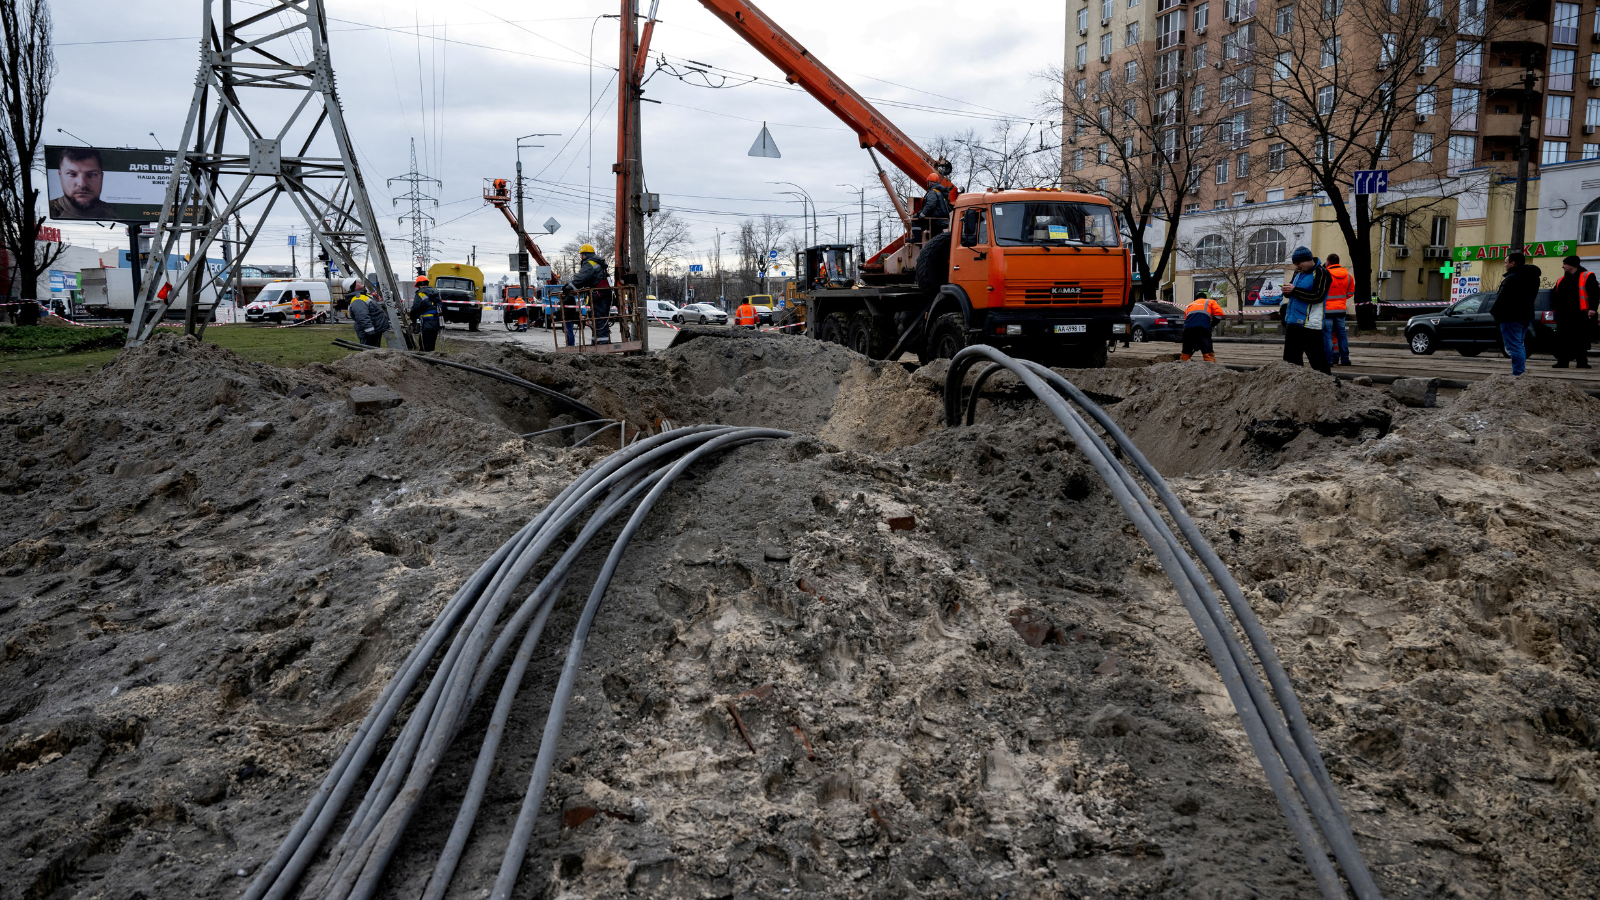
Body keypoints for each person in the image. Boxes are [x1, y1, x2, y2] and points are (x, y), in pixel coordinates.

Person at [1282, 246, 1332, 374]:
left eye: (1298, 264)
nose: (1296, 267)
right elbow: (1294, 293)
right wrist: (1287, 291)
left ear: (1308, 260)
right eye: (1294, 264)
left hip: (1310, 324)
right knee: (1290, 361)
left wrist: (1294, 290)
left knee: (1318, 361)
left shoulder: (1322, 273)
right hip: (1293, 321)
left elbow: (1318, 296)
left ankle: (1329, 386)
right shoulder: (1298, 273)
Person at [1492, 252, 1541, 376]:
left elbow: (1501, 298)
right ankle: (1520, 371)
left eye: (1506, 262)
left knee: (1514, 346)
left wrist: (1495, 313)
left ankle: (1518, 373)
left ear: (1513, 263)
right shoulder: (1533, 277)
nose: (1505, 265)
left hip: (1510, 316)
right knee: (1519, 345)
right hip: (1526, 315)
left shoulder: (1512, 278)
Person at [1551, 254, 1596, 369]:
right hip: (1563, 315)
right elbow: (1554, 294)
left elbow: (1594, 294)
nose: (1563, 266)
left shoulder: (1587, 276)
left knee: (1580, 339)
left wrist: (1592, 309)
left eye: (1564, 264)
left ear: (1572, 265)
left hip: (1580, 314)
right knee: (1563, 339)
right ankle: (1562, 362)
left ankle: (1582, 362)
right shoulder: (1561, 279)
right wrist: (1554, 307)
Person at [48, 148, 118, 220]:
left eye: (92, 174)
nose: (82, 184)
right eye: (71, 174)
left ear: (102, 177)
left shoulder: (118, 214)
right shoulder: (45, 211)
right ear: (60, 176)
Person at [572, 244, 613, 343]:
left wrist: (569, 287)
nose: (580, 257)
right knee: (598, 320)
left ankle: (601, 345)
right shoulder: (597, 263)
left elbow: (581, 278)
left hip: (600, 295)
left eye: (581, 255)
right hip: (602, 295)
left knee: (599, 319)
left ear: (586, 254)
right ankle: (597, 343)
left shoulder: (590, 264)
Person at [1323, 252, 1354, 366]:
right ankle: (1345, 359)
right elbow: (1350, 292)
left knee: (1328, 334)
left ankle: (1329, 360)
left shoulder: (1325, 274)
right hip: (1341, 309)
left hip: (1327, 310)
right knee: (1342, 334)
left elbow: (1321, 291)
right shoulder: (1348, 275)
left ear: (1328, 262)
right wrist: (1341, 299)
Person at [1181, 290, 1226, 362]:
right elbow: (1219, 314)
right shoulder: (1210, 302)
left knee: (1187, 349)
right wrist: (1212, 325)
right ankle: (1210, 366)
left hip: (1188, 329)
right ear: (1205, 298)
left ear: (1196, 299)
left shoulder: (1190, 305)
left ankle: (1182, 364)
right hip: (1203, 328)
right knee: (1206, 347)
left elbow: (1186, 319)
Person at [409, 280, 444, 351]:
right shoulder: (435, 293)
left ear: (419, 285)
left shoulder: (420, 294)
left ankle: (425, 359)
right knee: (432, 343)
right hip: (437, 322)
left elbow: (415, 308)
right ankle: (431, 358)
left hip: (426, 323)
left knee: (424, 344)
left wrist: (412, 318)